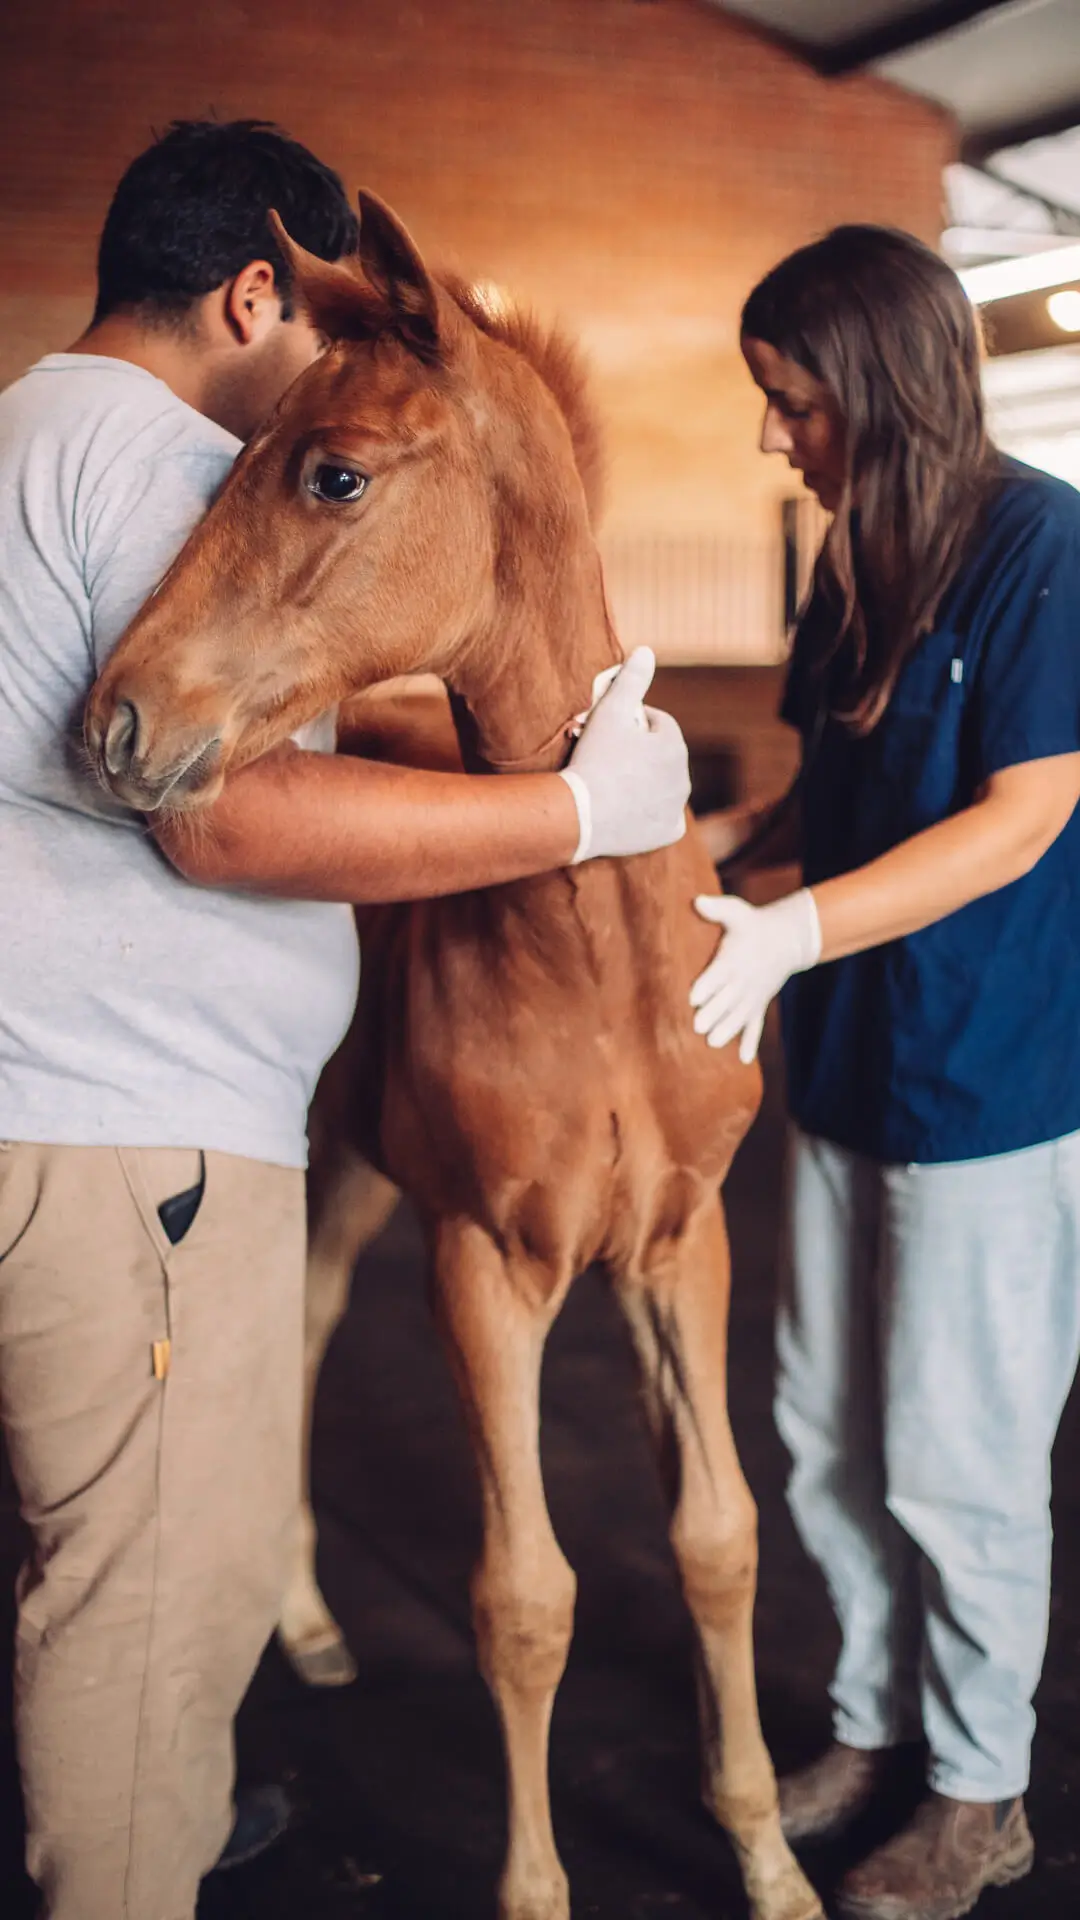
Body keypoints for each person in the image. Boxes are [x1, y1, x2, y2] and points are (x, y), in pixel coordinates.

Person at [0, 119, 691, 1920]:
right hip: (126, 1147)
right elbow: (215, 808)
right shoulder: (166, 463)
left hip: (71, 1122)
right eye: (309, 331)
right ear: (253, 292)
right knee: (151, 1603)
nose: (331, 371)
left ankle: (145, 1807)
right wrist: (577, 816)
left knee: (129, 1575)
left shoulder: (26, 426)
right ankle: (127, 1858)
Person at [691, 225, 1080, 1920]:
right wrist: (724, 843)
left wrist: (786, 932)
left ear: (880, 385)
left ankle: (980, 1783)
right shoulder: (846, 554)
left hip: (987, 1080)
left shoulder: (1046, 547)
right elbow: (828, 782)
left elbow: (1022, 817)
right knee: (823, 1430)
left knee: (958, 1451)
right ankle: (868, 1721)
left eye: (791, 401)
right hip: (847, 1068)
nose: (773, 435)